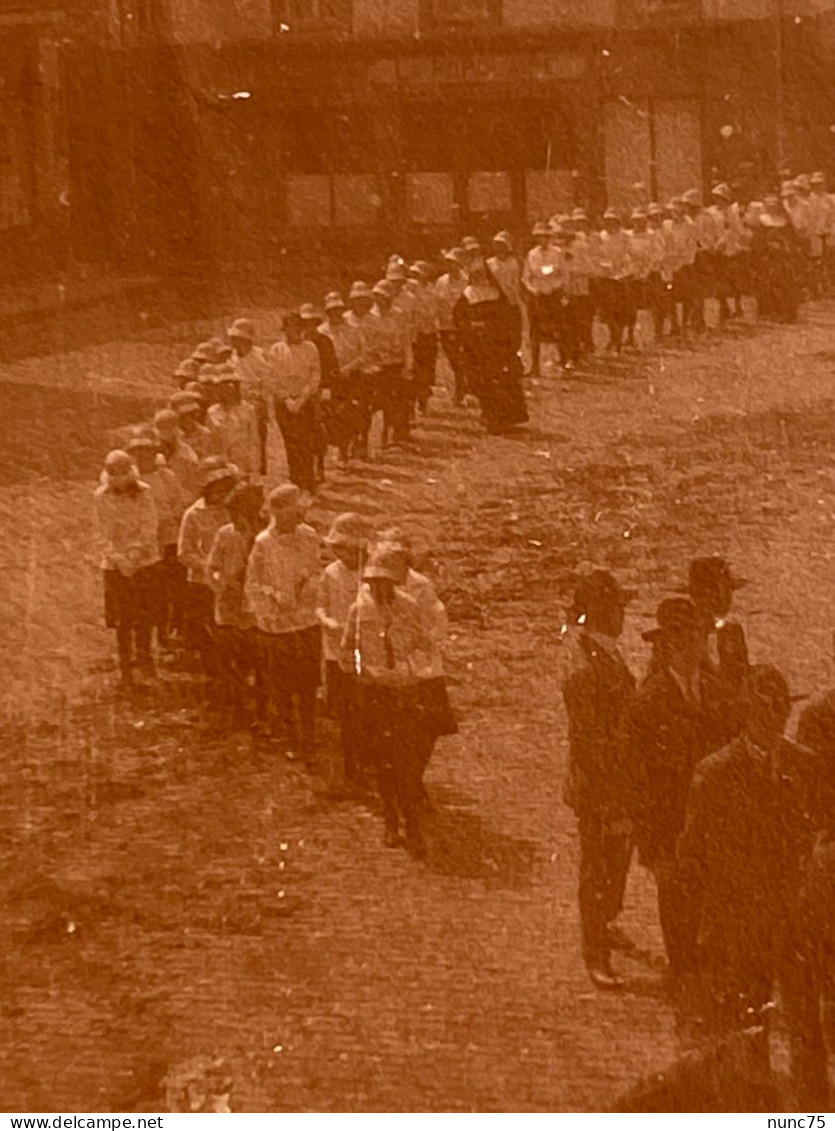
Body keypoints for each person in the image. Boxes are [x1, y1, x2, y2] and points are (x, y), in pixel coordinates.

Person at [677, 664, 827, 1104]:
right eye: (765, 710)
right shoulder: (715, 773)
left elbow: (818, 830)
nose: (775, 718)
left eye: (780, 709)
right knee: (746, 1029)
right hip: (738, 924)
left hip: (794, 922)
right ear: (745, 713)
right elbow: (691, 860)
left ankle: (816, 1108)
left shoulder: (805, 766)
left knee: (807, 1027)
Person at [627, 597, 736, 981]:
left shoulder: (715, 691)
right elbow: (636, 778)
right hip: (668, 826)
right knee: (675, 906)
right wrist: (650, 845)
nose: (694, 646)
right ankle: (682, 976)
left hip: (709, 826)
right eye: (684, 639)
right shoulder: (651, 699)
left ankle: (701, 974)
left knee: (707, 901)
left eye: (698, 638)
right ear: (669, 645)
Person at [561, 570, 637, 990]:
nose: (623, 614)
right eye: (616, 607)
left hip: (617, 779)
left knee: (613, 863)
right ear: (598, 613)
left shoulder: (605, 651)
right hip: (597, 784)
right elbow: (587, 736)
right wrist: (609, 788)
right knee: (597, 868)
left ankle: (604, 926)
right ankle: (596, 953)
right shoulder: (581, 660)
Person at [340, 547, 434, 856]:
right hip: (374, 695)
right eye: (373, 583)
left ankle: (414, 825)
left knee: (408, 762)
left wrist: (411, 669)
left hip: (405, 692)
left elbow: (424, 644)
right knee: (384, 764)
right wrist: (364, 671)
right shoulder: (359, 611)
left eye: (385, 583)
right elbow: (346, 653)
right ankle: (391, 819)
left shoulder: (408, 607)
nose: (379, 589)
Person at [244, 484, 321, 759]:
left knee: (308, 685)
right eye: (291, 514)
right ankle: (291, 736)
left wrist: (307, 586)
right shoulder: (264, 542)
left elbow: (315, 571)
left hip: (305, 621)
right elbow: (253, 583)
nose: (297, 519)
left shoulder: (309, 536)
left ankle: (309, 737)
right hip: (277, 625)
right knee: (283, 685)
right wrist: (274, 596)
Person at [316, 512, 376, 788]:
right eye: (339, 549)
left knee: (368, 708)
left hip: (367, 650)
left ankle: (369, 759)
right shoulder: (331, 573)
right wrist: (330, 622)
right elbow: (321, 606)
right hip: (337, 652)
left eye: (350, 549)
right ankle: (351, 766)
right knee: (345, 712)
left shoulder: (372, 575)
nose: (344, 555)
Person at [93, 449, 160, 688]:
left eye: (123, 474)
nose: (119, 479)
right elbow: (101, 533)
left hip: (143, 562)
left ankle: (145, 657)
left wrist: (135, 553)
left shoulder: (144, 493)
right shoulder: (101, 497)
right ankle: (125, 667)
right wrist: (118, 558)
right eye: (114, 474)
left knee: (144, 615)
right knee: (122, 619)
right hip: (115, 565)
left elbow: (149, 527)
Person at [205, 482, 266, 729]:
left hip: (256, 613)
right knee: (231, 661)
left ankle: (262, 710)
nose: (234, 520)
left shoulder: (265, 540)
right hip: (229, 609)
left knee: (259, 662)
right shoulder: (225, 535)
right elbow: (212, 568)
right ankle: (238, 708)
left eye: (238, 515)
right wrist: (223, 583)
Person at [177, 463, 237, 683]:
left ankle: (230, 670)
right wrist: (209, 566)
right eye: (217, 491)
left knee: (228, 628)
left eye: (226, 491)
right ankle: (212, 673)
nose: (221, 496)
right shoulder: (193, 514)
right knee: (206, 629)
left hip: (229, 581)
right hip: (202, 581)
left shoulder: (232, 511)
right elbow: (184, 552)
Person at [127, 431, 186, 652]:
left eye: (148, 452)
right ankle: (141, 644)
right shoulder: (131, 482)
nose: (144, 457)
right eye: (139, 453)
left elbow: (180, 505)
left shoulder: (167, 478)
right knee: (141, 595)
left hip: (167, 540)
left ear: (155, 453)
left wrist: (167, 518)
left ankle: (163, 635)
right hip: (142, 545)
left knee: (166, 592)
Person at [453, 261, 528, 435]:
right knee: (480, 382)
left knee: (497, 382)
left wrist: (490, 327)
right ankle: (488, 414)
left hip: (495, 346)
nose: (478, 277)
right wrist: (471, 326)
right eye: (475, 274)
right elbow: (458, 317)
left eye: (481, 273)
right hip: (475, 346)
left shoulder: (496, 294)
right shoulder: (468, 294)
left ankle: (499, 418)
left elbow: (506, 319)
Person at [270, 311, 321, 493]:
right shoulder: (277, 350)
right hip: (284, 403)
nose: (295, 332)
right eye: (291, 328)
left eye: (299, 328)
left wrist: (301, 399)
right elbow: (273, 378)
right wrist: (286, 399)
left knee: (305, 441)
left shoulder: (310, 348)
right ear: (285, 330)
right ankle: (295, 479)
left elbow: (315, 376)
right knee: (290, 443)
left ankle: (308, 479)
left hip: (304, 401)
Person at [319, 291, 365, 469]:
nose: (335, 314)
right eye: (331, 310)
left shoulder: (353, 329)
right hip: (330, 379)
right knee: (332, 415)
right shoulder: (321, 331)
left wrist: (346, 369)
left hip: (350, 377)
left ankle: (349, 447)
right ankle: (339, 448)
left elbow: (362, 354)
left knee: (349, 412)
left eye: (338, 310)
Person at [370, 278, 412, 449]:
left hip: (395, 363)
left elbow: (405, 340)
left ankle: (394, 433)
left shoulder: (399, 314)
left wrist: (408, 363)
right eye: (377, 296)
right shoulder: (370, 316)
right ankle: (381, 434)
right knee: (380, 401)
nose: (380, 300)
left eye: (383, 296)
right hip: (377, 364)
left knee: (395, 400)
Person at [228, 317, 271, 476]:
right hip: (236, 403)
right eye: (233, 338)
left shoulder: (259, 356)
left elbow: (268, 382)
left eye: (237, 338)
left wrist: (258, 395)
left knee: (257, 438)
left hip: (255, 403)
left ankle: (260, 469)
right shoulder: (230, 357)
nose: (234, 342)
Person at [300, 302, 337, 483]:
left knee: (318, 430)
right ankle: (306, 468)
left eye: (311, 322)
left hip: (320, 390)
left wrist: (327, 389)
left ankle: (320, 466)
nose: (308, 327)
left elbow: (331, 367)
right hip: (302, 392)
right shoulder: (299, 345)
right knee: (303, 432)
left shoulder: (324, 342)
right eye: (304, 323)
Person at [522, 222, 562, 377]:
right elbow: (526, 277)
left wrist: (553, 287)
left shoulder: (557, 253)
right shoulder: (532, 255)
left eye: (545, 237)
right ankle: (534, 366)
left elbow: (561, 275)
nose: (542, 240)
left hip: (552, 295)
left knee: (556, 329)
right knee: (534, 332)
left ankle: (560, 363)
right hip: (537, 297)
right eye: (539, 237)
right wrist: (533, 290)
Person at [206, 370, 260, 479]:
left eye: (230, 387)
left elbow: (254, 440)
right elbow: (209, 441)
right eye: (221, 388)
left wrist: (255, 468)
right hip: (221, 462)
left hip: (243, 462)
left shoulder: (248, 409)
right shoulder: (212, 412)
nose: (226, 391)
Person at [597, 209, 634, 353]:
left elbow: (630, 254)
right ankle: (613, 337)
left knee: (621, 310)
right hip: (606, 277)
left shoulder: (624, 236)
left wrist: (624, 269)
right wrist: (604, 266)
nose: (610, 224)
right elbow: (597, 255)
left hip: (622, 277)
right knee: (608, 311)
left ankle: (618, 339)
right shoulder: (601, 236)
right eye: (607, 222)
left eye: (613, 221)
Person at [434, 248, 469, 404]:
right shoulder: (441, 282)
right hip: (446, 325)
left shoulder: (467, 281)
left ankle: (462, 388)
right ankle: (459, 387)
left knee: (464, 358)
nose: (450, 266)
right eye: (447, 263)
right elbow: (436, 303)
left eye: (453, 263)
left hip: (463, 326)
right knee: (453, 359)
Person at [407, 261, 439, 414]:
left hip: (429, 333)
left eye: (418, 274)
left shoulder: (432, 289)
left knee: (427, 369)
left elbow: (434, 311)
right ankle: (414, 403)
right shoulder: (410, 289)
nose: (415, 277)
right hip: (415, 334)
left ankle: (423, 401)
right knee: (414, 369)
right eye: (414, 274)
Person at [487, 231, 524, 354]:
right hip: (495, 302)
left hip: (511, 301)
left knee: (514, 332)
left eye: (501, 244)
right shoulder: (489, 263)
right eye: (496, 244)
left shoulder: (514, 262)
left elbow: (516, 282)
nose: (498, 247)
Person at [169, 393, 214, 466]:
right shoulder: (172, 434)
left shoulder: (204, 433)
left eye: (190, 414)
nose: (187, 419)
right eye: (182, 416)